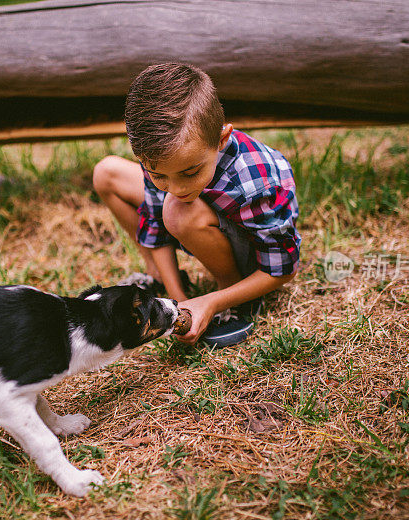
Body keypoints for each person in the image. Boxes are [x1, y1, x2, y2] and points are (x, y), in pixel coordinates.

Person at [93, 63, 300, 347]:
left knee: (176, 208)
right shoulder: (162, 158)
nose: (175, 187)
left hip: (251, 246)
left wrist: (209, 303)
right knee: (107, 173)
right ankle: (159, 279)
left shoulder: (256, 179)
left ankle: (231, 294)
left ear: (221, 139)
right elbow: (155, 224)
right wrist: (178, 303)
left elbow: (282, 269)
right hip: (202, 213)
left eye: (190, 172)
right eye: (157, 174)